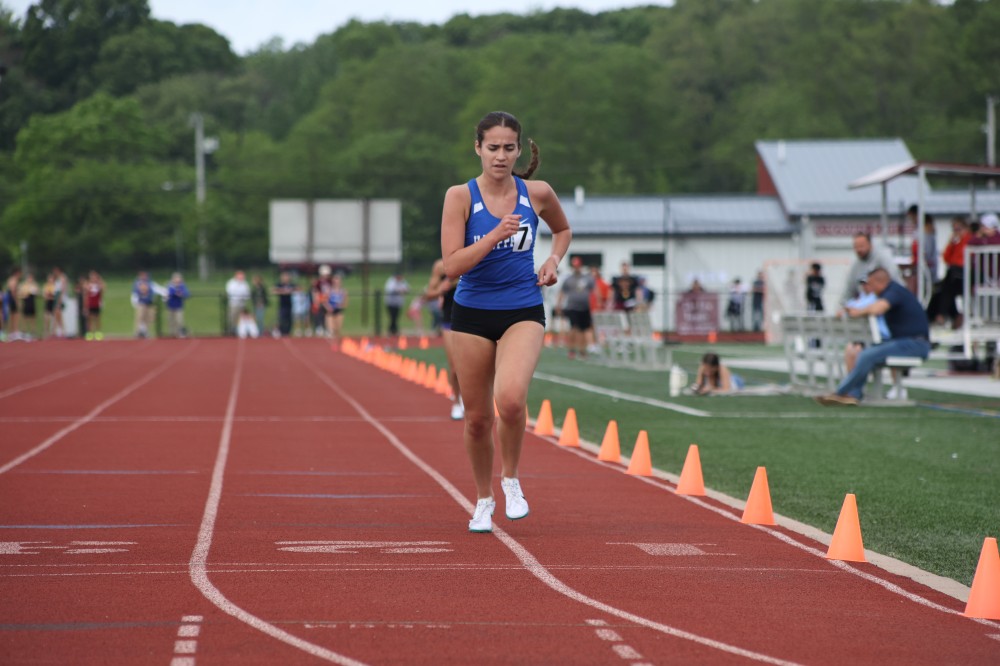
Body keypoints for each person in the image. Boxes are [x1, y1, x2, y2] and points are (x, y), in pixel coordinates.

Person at [441, 110, 570, 533]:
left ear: (519, 151)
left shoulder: (537, 192)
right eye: (493, 147)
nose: (500, 156)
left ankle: (511, 479)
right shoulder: (459, 197)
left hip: (522, 308)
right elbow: (452, 266)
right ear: (477, 148)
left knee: (511, 400)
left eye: (508, 148)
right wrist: (495, 234)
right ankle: (483, 499)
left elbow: (563, 231)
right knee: (478, 418)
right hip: (472, 312)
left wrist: (552, 261)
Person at [816, 268, 931, 406]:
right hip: (904, 342)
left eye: (870, 284)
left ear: (879, 282)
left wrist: (857, 312)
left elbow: (878, 309)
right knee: (863, 353)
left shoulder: (894, 291)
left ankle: (841, 393)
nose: (869, 288)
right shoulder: (890, 292)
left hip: (915, 344)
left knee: (867, 355)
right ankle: (853, 394)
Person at [426, 258, 464, 419]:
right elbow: (429, 294)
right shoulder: (440, 266)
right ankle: (456, 402)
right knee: (455, 367)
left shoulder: (477, 257)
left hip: (474, 319)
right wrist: (441, 290)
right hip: (450, 320)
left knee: (475, 367)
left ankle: (469, 398)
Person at [926, 216, 971, 328]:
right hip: (955, 276)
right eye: (954, 229)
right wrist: (951, 243)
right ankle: (945, 316)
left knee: (946, 287)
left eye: (958, 229)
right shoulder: (956, 243)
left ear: (965, 228)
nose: (956, 232)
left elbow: (961, 261)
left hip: (965, 276)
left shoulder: (969, 240)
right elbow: (946, 258)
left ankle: (942, 315)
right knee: (941, 289)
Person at [840, 232, 901, 306]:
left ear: (870, 244)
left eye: (861, 246)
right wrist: (842, 306)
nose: (859, 249)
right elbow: (848, 291)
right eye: (856, 247)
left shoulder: (883, 258)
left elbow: (896, 282)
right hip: (867, 305)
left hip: (886, 302)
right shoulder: (856, 266)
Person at [555, 256, 595, 359]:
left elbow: (594, 291)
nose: (576, 268)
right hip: (572, 307)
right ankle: (571, 349)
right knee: (573, 328)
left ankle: (582, 350)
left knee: (583, 329)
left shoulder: (587, 278)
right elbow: (562, 293)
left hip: (585, 307)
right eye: (574, 266)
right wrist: (558, 305)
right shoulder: (568, 279)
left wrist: (597, 304)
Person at [225, 270, 251, 336]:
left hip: (242, 304)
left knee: (241, 319)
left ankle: (240, 331)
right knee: (232, 318)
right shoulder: (231, 283)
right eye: (240, 276)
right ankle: (231, 331)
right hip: (234, 304)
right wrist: (239, 296)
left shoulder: (245, 284)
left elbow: (247, 293)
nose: (242, 278)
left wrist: (244, 297)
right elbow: (230, 292)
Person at [323, 273, 348, 342]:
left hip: (339, 312)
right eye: (335, 281)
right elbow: (324, 301)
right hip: (330, 313)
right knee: (331, 330)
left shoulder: (343, 292)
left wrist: (339, 305)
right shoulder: (329, 290)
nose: (336, 283)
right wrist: (328, 307)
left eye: (338, 281)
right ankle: (332, 344)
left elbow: (345, 303)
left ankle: (336, 344)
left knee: (337, 330)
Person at [384, 270, 409, 337]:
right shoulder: (391, 281)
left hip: (398, 303)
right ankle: (393, 330)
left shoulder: (403, 281)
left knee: (396, 317)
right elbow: (390, 290)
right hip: (390, 302)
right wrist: (399, 291)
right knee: (393, 317)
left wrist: (402, 291)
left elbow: (407, 289)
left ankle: (393, 330)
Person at [165, 272, 191, 338]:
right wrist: (171, 295)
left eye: (178, 279)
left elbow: (187, 294)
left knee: (179, 321)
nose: (177, 280)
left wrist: (182, 294)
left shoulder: (182, 286)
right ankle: (172, 334)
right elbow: (166, 294)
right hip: (170, 306)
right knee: (171, 321)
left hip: (178, 306)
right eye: (175, 279)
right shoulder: (169, 285)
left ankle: (180, 333)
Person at [131, 271, 156, 338]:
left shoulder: (150, 283)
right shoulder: (137, 283)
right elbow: (135, 293)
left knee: (147, 318)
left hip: (148, 303)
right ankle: (137, 332)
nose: (144, 277)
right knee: (139, 317)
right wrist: (135, 302)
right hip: (141, 303)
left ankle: (146, 331)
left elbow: (153, 291)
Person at [84, 270, 105, 341]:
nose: (93, 278)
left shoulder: (98, 285)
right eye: (92, 277)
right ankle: (89, 333)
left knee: (97, 319)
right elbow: (86, 295)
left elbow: (103, 288)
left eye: (95, 277)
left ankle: (98, 333)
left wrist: (99, 280)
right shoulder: (88, 285)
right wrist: (85, 306)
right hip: (90, 304)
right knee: (89, 319)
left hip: (97, 304)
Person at [272, 271, 295, 337]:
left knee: (289, 319)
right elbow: (273, 290)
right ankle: (282, 331)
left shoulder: (291, 285)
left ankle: (288, 332)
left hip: (289, 305)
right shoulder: (280, 285)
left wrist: (290, 291)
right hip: (282, 305)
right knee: (282, 318)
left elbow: (298, 289)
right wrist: (282, 291)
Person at [18, 272, 39, 340]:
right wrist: (25, 295)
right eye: (29, 278)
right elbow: (20, 294)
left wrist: (34, 291)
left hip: (32, 302)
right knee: (25, 317)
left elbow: (37, 293)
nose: (30, 279)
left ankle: (33, 332)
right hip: (26, 302)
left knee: (33, 318)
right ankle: (24, 332)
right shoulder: (23, 285)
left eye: (31, 278)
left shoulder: (34, 285)